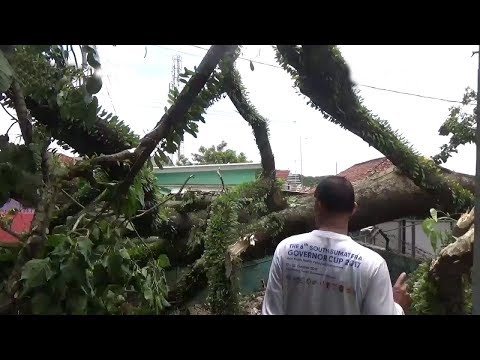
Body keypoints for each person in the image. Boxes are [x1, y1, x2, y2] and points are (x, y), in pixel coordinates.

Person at [262, 175, 411, 315]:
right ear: (353, 209)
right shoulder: (373, 264)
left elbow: (270, 311)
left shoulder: (286, 249)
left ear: (317, 205)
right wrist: (397, 306)